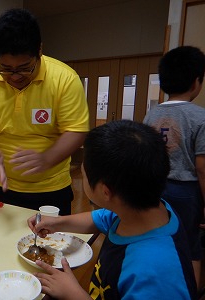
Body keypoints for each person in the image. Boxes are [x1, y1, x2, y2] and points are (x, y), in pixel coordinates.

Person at [27, 120, 197, 299]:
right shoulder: (144, 210)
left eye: (84, 175)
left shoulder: (154, 274)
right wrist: (57, 222)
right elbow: (100, 218)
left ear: (104, 191)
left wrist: (74, 294)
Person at [0, 8, 89, 215]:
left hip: (51, 189)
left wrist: (47, 158)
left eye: (24, 67)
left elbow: (76, 130)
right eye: (5, 68)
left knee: (50, 246)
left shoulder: (65, 79)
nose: (15, 76)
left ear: (39, 50)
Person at [143, 45, 205, 287]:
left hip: (154, 187)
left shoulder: (151, 115)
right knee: (191, 246)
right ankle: (189, 291)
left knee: (157, 237)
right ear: (196, 83)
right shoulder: (200, 117)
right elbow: (202, 168)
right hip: (186, 192)